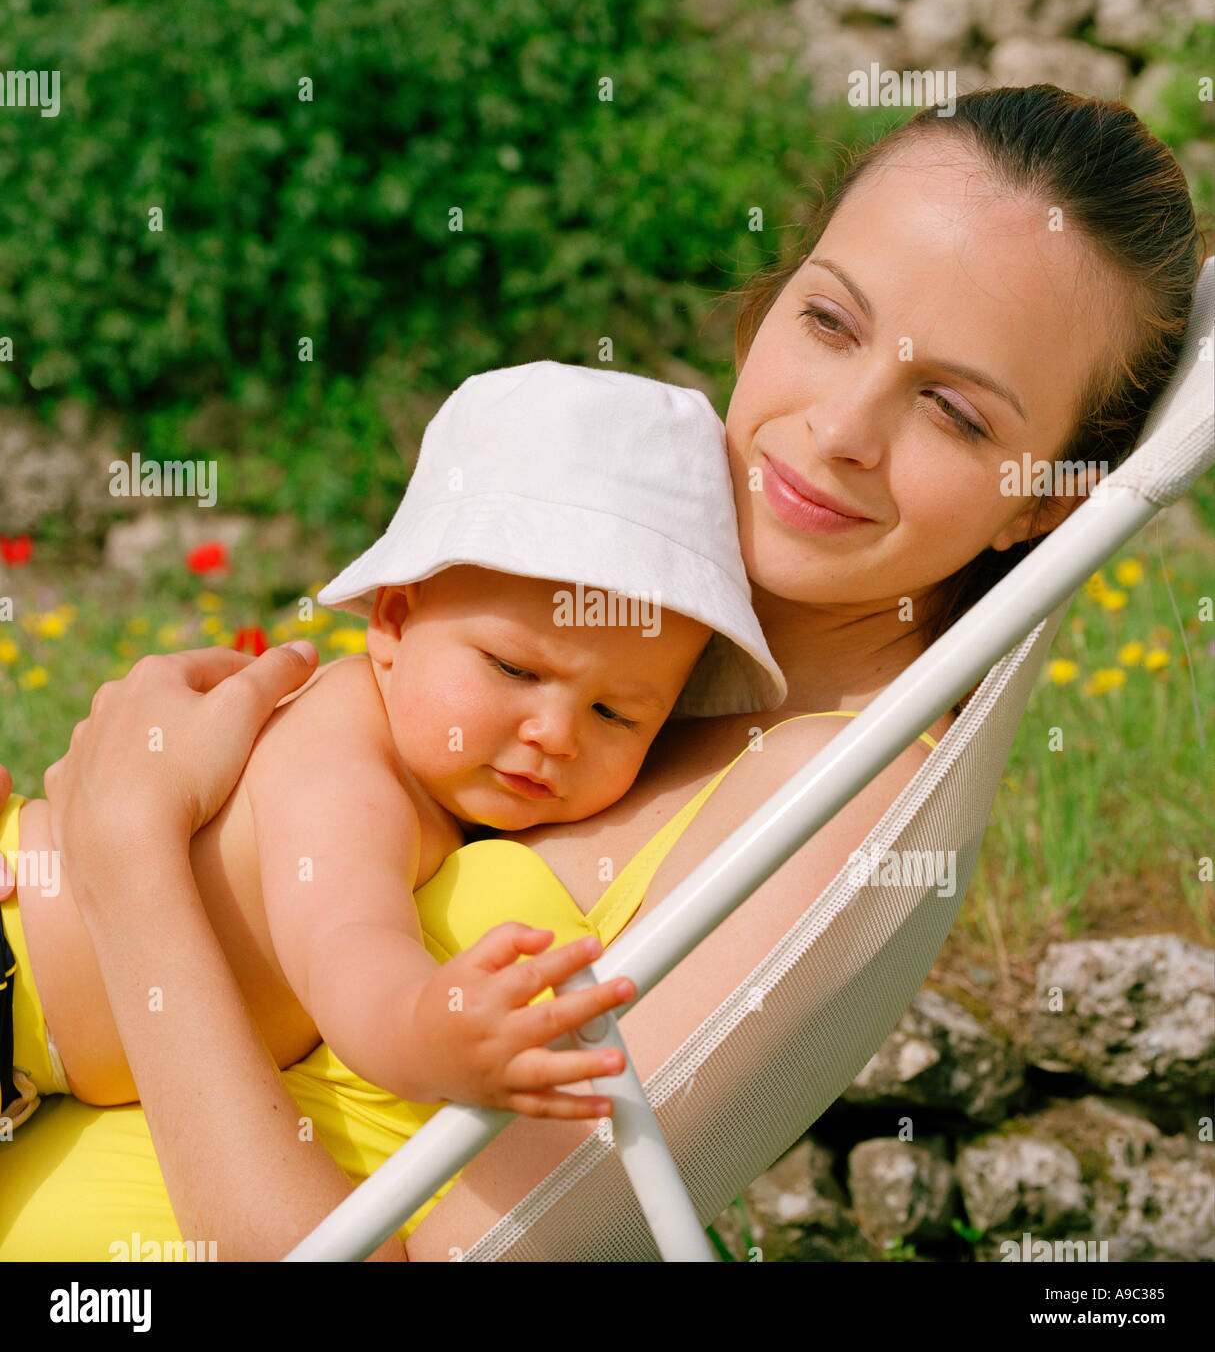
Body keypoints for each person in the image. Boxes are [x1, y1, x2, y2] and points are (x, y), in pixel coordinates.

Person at [0, 85, 1204, 1261]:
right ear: (762, 315)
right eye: (830, 322)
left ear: (1042, 506)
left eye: (953, 410)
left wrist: (127, 855)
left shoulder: (842, 805)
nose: (842, 425)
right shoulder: (608, 601)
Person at [0, 362, 785, 1125]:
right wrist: (428, 1026)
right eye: (513, 668)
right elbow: (345, 939)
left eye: (617, 715)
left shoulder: (443, 783)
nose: (556, 733)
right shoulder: (347, 756)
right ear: (395, 622)